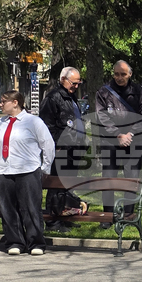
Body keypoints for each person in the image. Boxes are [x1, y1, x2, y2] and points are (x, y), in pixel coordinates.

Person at [0, 91, 55, 256]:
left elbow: (47, 144)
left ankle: (36, 242)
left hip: (28, 170)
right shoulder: (0, 123)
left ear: (15, 103)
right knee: (8, 209)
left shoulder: (33, 122)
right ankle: (15, 242)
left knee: (30, 208)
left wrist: (45, 167)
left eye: (3, 101)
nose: (0, 104)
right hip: (5, 171)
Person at [95, 60, 142, 225]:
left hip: (133, 141)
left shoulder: (139, 92)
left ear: (130, 74)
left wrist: (130, 133)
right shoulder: (103, 92)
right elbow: (102, 116)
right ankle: (107, 216)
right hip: (110, 141)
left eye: (123, 74)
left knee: (131, 179)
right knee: (108, 178)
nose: (119, 77)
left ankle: (128, 215)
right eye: (116, 74)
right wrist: (117, 134)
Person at [39, 67, 88, 225]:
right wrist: (57, 145)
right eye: (73, 83)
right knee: (56, 185)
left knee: (68, 185)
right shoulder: (53, 98)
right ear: (63, 80)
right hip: (61, 149)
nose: (76, 86)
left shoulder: (71, 97)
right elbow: (46, 126)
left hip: (74, 149)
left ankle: (66, 216)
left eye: (78, 83)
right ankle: (53, 220)